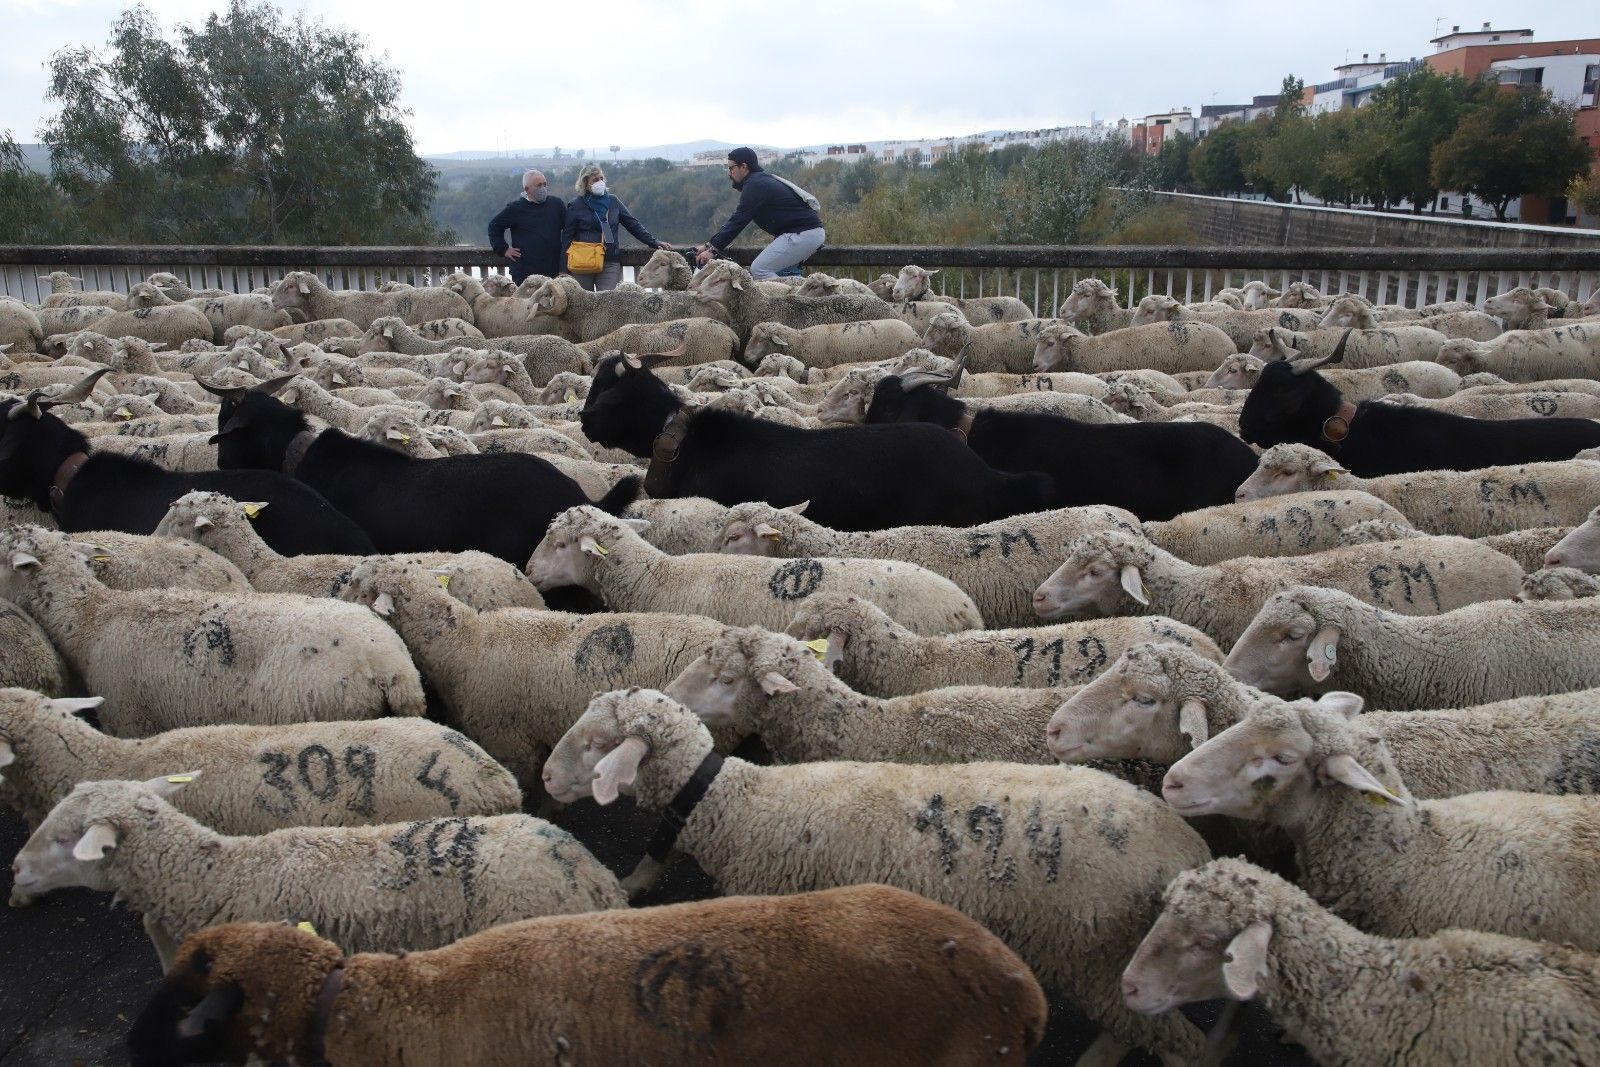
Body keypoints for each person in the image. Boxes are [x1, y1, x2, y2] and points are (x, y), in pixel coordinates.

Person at [695, 147, 825, 280]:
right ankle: (806, 293)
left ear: (743, 166)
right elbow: (736, 219)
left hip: (801, 234)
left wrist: (712, 250)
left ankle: (802, 294)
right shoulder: (759, 181)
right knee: (785, 275)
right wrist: (709, 245)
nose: (729, 173)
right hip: (805, 233)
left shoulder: (755, 185)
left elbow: (738, 220)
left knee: (759, 270)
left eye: (730, 168)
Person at [562, 163, 671, 292]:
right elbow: (566, 238)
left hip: (610, 260)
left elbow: (633, 224)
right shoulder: (576, 205)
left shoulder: (613, 202)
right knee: (584, 304)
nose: (600, 182)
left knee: (608, 301)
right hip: (582, 261)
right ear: (586, 183)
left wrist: (653, 242)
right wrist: (563, 269)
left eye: (601, 178)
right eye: (595, 180)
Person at [486, 170, 566, 284]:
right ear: (527, 189)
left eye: (545, 184)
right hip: (524, 274)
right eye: (539, 185)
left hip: (553, 272)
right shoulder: (515, 209)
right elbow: (494, 227)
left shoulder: (556, 205)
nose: (543, 188)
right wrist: (503, 249)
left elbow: (569, 230)